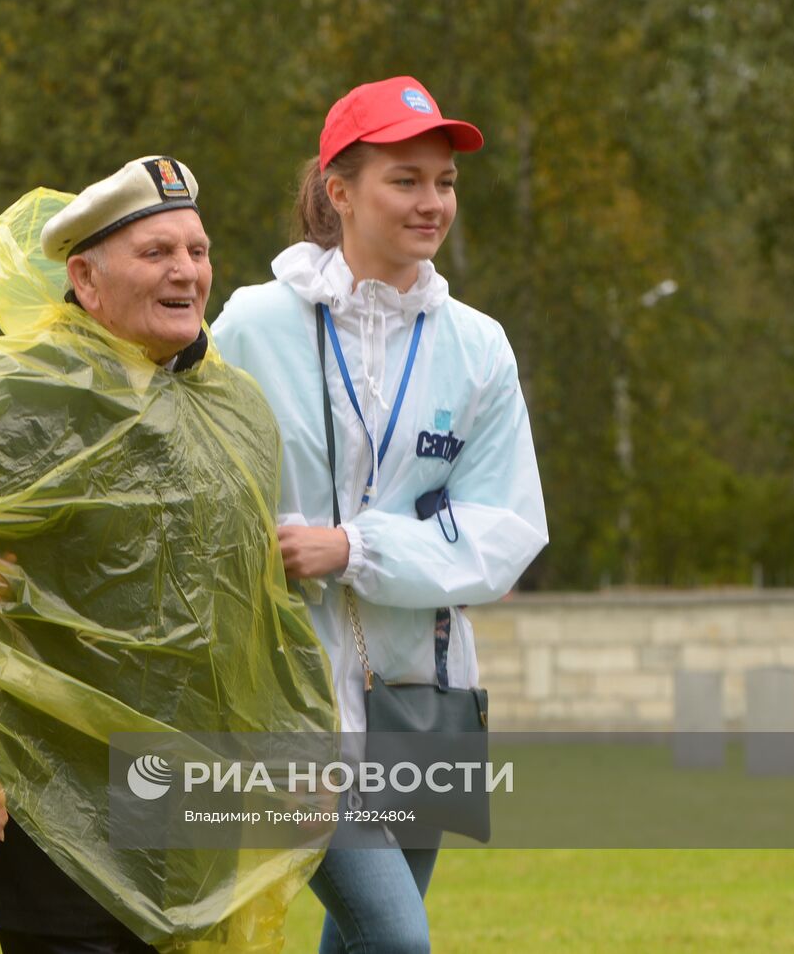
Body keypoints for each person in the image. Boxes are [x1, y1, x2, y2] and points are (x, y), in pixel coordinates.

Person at [0, 158, 338, 953]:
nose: (187, 270)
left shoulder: (236, 410)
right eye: (156, 252)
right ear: (84, 276)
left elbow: (258, 611)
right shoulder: (12, 401)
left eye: (198, 249)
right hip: (53, 793)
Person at [211, 77, 549, 953]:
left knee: (362, 942)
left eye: (444, 182)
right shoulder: (252, 322)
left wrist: (356, 549)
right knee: (398, 939)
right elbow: (196, 476)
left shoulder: (479, 345)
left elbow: (506, 527)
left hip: (422, 692)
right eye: (405, 180)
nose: (432, 202)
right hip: (287, 695)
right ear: (339, 191)